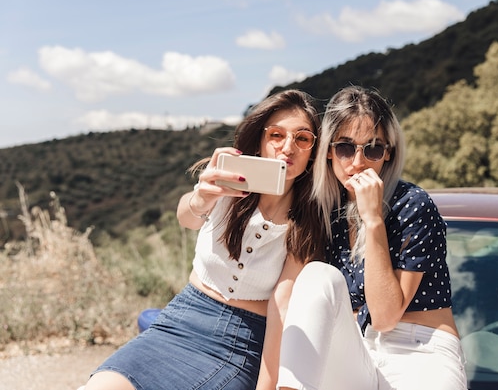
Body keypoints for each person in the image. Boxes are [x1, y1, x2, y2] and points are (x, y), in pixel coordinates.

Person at [81, 89, 324, 390]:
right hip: (182, 317)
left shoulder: (310, 219)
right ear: (261, 140)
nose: (288, 147)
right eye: (276, 135)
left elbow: (281, 307)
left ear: (314, 149)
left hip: (241, 342)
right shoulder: (229, 182)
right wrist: (202, 197)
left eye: (302, 138)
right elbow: (187, 218)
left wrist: (267, 385)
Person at [276, 86, 467, 390]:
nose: (358, 161)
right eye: (345, 147)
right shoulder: (326, 211)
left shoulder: (413, 205)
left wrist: (373, 219)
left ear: (388, 152)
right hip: (355, 347)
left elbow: (385, 317)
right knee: (315, 276)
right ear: (328, 150)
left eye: (373, 148)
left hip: (419, 348)